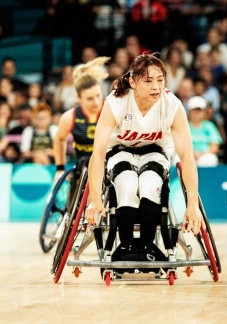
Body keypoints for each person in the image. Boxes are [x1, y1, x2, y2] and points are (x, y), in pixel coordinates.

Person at [85, 53, 201, 259]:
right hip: (120, 150)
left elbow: (187, 158)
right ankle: (127, 246)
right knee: (127, 183)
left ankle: (147, 246)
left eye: (160, 80)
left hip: (155, 151)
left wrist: (193, 206)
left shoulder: (172, 105)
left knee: (150, 184)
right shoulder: (116, 102)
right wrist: (95, 199)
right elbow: (98, 153)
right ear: (132, 81)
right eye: (148, 81)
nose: (156, 87)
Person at [52, 56, 110, 185]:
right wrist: (60, 169)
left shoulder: (110, 112)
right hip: (82, 169)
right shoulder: (70, 117)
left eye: (98, 96)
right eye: (90, 98)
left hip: (108, 167)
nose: (96, 102)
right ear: (78, 97)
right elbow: (59, 139)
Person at [186, 96, 222, 167]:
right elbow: (177, 145)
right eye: (194, 111)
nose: (196, 113)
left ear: (204, 112)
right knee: (177, 159)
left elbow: (215, 146)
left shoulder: (209, 126)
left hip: (204, 155)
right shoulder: (183, 126)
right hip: (187, 155)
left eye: (199, 111)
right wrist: (191, 154)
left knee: (210, 159)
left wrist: (201, 154)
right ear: (189, 112)